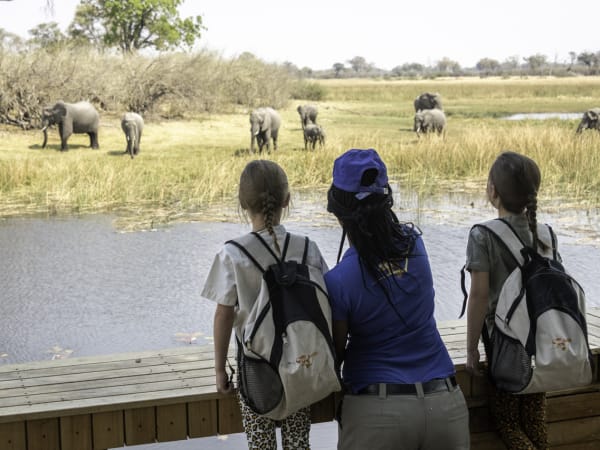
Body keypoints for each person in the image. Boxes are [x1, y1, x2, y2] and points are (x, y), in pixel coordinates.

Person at [324, 148, 470, 450]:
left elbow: (334, 358)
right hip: (445, 405)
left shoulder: (338, 280)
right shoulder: (416, 246)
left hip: (377, 413)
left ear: (338, 211)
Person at [201, 159, 328, 449]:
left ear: (242, 203)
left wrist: (220, 371)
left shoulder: (232, 254)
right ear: (287, 200)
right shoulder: (307, 247)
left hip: (255, 372)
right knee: (298, 444)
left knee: (261, 446)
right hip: (302, 363)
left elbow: (223, 317)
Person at [465, 151, 551, 449]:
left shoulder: (482, 235)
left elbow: (478, 296)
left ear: (493, 192)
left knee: (510, 425)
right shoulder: (545, 233)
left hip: (502, 345)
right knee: (535, 422)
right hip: (540, 344)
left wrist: (471, 349)